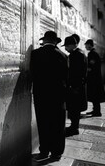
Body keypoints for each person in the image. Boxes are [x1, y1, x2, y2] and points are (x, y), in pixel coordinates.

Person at [30, 31, 68, 162]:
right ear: (55, 41)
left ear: (44, 41)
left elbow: (32, 74)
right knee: (58, 125)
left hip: (41, 95)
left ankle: (44, 151)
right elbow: (66, 78)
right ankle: (56, 153)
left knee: (43, 123)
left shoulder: (35, 54)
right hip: (58, 96)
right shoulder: (63, 55)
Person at [63, 36, 88, 137]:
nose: (65, 48)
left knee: (74, 108)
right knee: (75, 108)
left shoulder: (76, 55)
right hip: (77, 86)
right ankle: (74, 127)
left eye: (67, 46)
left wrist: (73, 86)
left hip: (75, 87)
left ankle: (74, 128)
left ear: (73, 45)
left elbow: (76, 73)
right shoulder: (80, 53)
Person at [84, 39, 105, 116]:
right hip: (95, 78)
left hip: (94, 79)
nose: (85, 46)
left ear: (89, 45)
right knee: (95, 95)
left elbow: (91, 67)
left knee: (95, 95)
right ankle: (95, 110)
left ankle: (97, 112)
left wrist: (86, 69)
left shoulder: (92, 54)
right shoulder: (94, 53)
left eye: (86, 45)